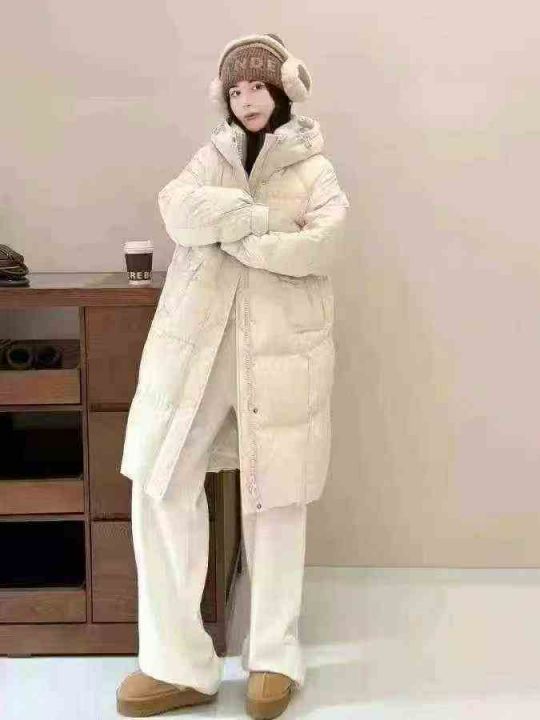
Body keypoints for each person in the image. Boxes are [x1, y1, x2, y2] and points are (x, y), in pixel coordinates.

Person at [117, 33, 350, 719]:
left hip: (282, 354)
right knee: (160, 483)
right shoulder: (209, 158)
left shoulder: (315, 168)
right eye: (236, 89)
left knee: (276, 499)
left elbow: (322, 244)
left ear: (284, 90)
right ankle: (176, 665)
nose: (247, 99)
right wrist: (264, 220)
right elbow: (176, 210)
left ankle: (274, 657)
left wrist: (231, 235)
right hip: (195, 351)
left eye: (258, 86)